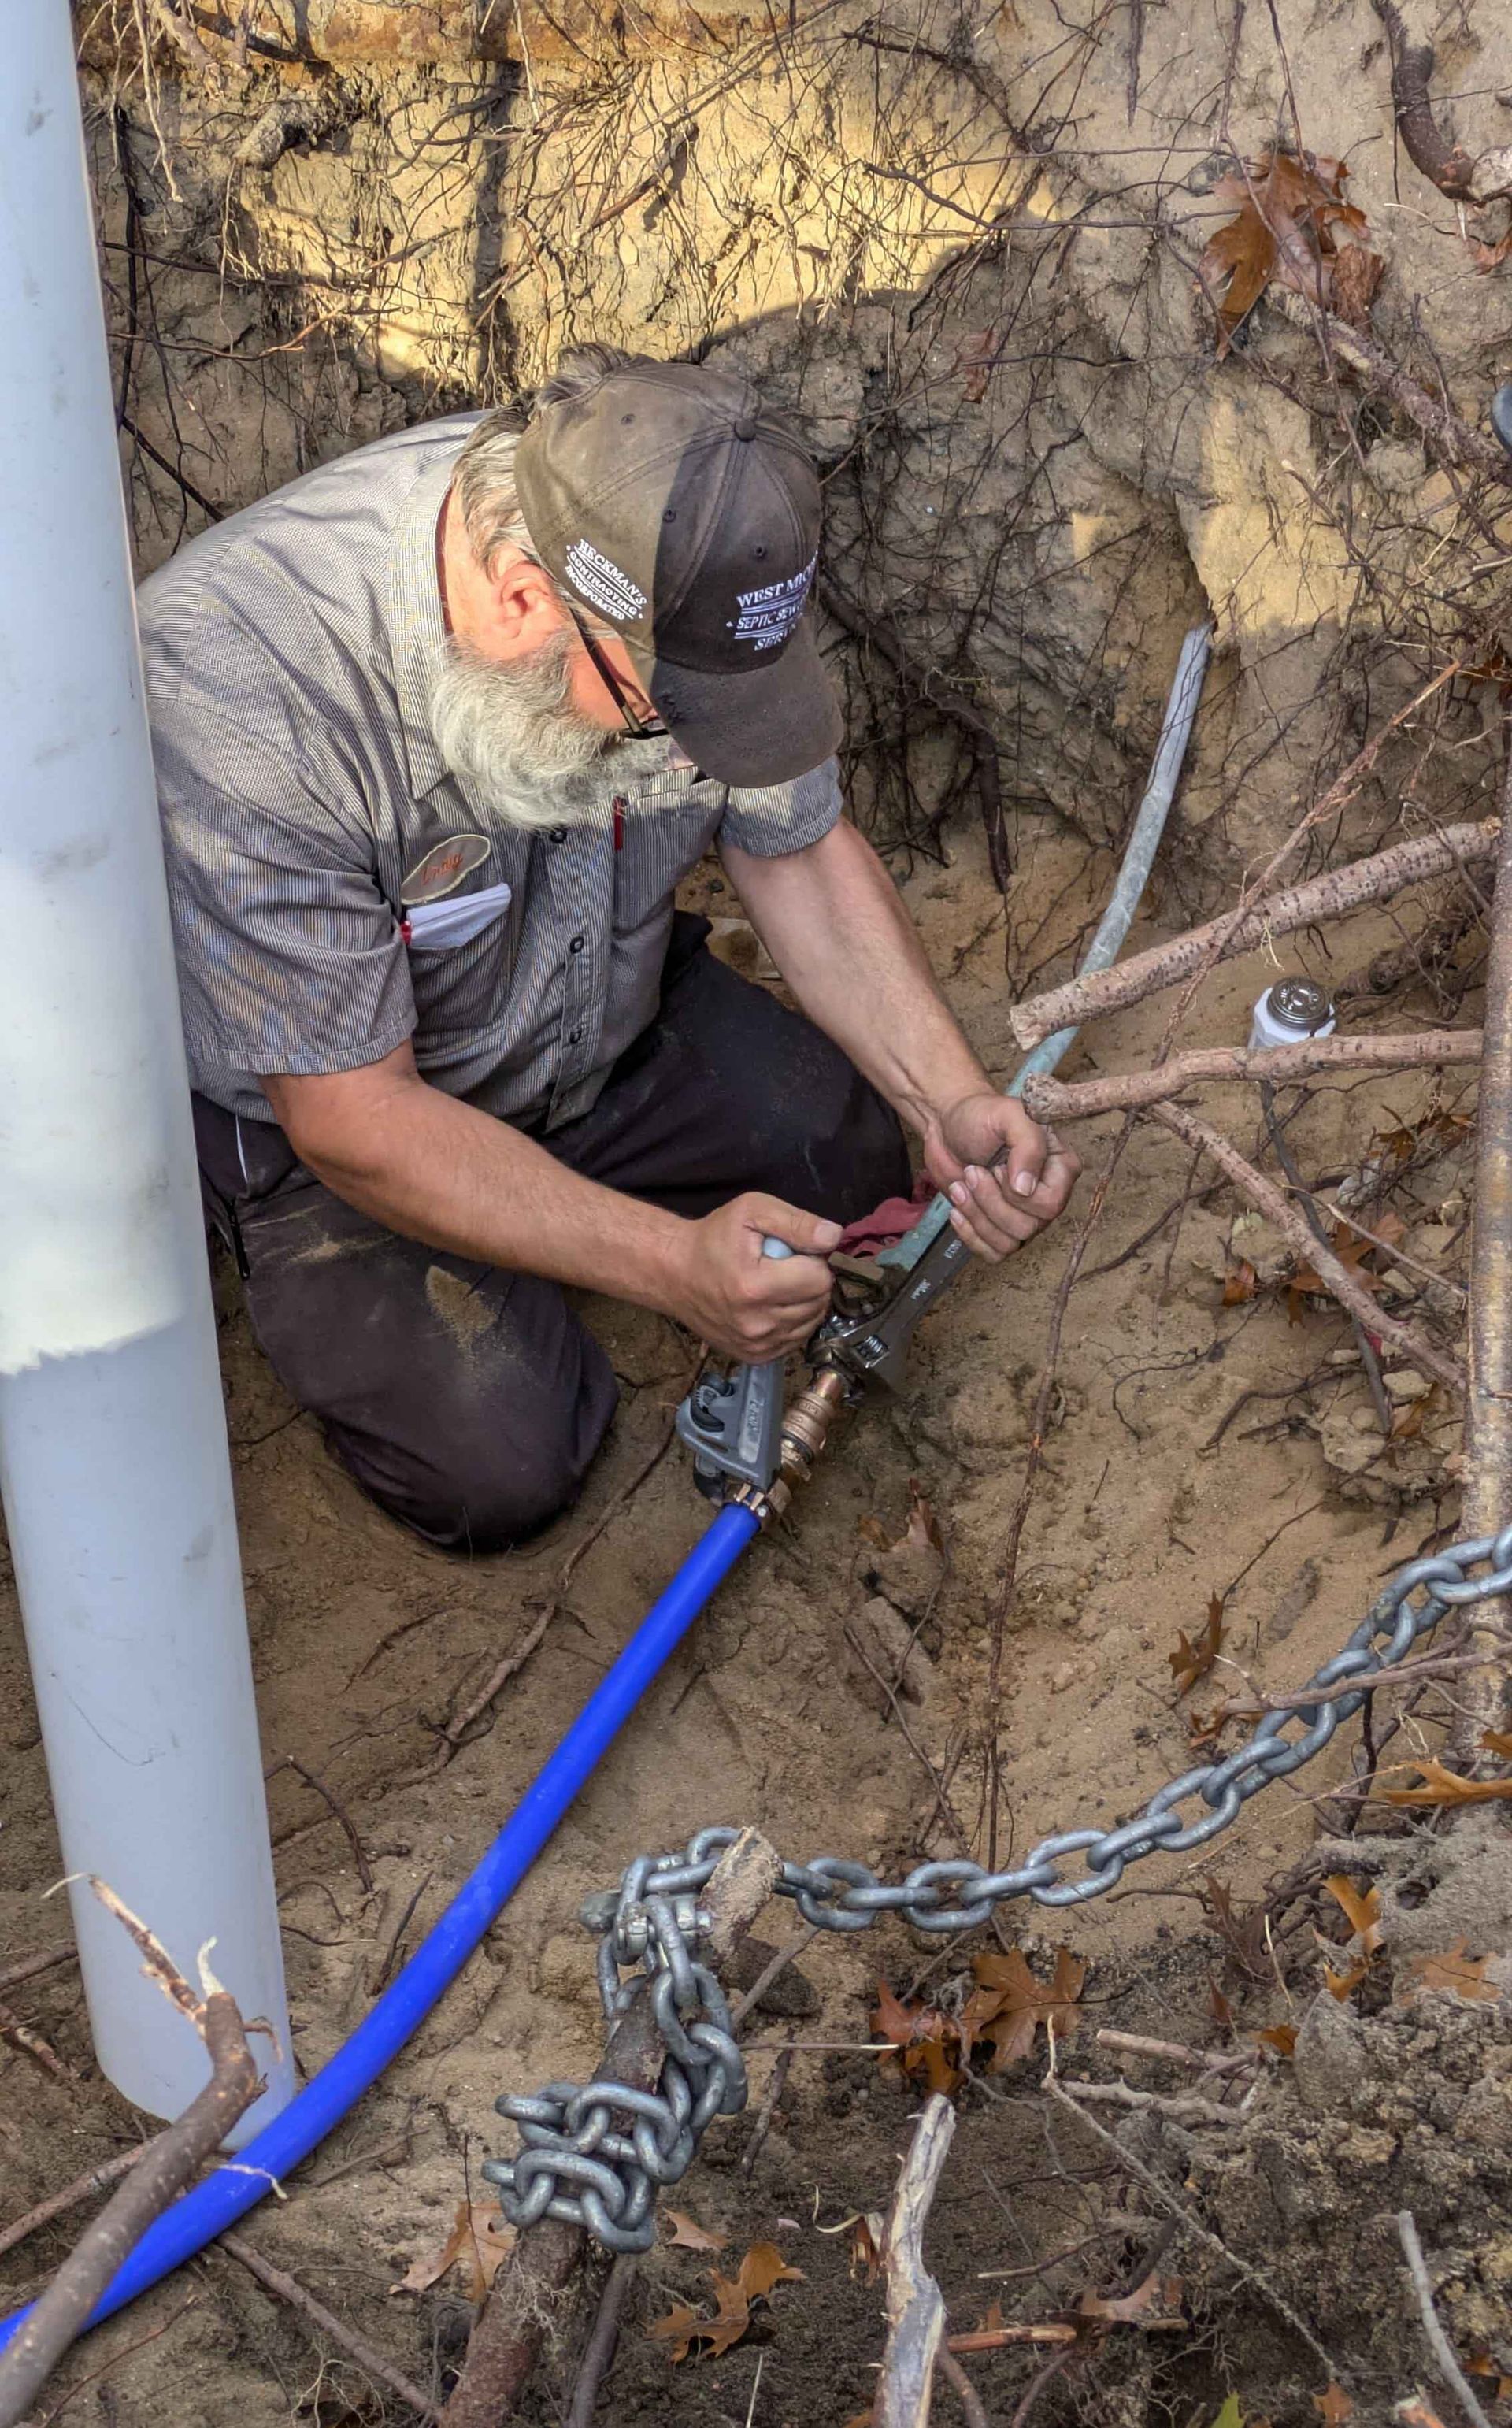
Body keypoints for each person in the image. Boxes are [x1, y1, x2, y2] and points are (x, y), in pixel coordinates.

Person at [139, 343, 1080, 1551]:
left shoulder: (671, 550)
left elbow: (792, 845)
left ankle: (571, 1199)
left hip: (599, 1008)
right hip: (347, 1116)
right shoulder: (241, 698)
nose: (687, 745)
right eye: (665, 717)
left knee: (851, 1168)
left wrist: (947, 1094)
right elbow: (354, 1118)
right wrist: (669, 1264)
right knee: (504, 1462)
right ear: (526, 600)